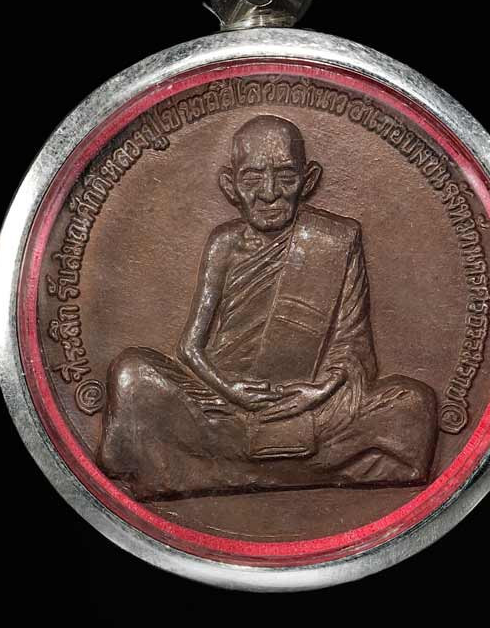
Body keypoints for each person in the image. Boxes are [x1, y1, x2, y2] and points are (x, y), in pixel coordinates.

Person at [96, 114, 438, 499]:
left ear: (308, 181)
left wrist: (318, 391)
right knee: (131, 374)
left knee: (413, 404)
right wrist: (231, 390)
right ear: (230, 186)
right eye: (253, 178)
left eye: (286, 177)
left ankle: (208, 472)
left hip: (311, 406)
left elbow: (352, 345)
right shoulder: (224, 244)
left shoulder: (337, 240)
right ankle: (294, 470)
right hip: (225, 405)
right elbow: (190, 348)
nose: (270, 193)